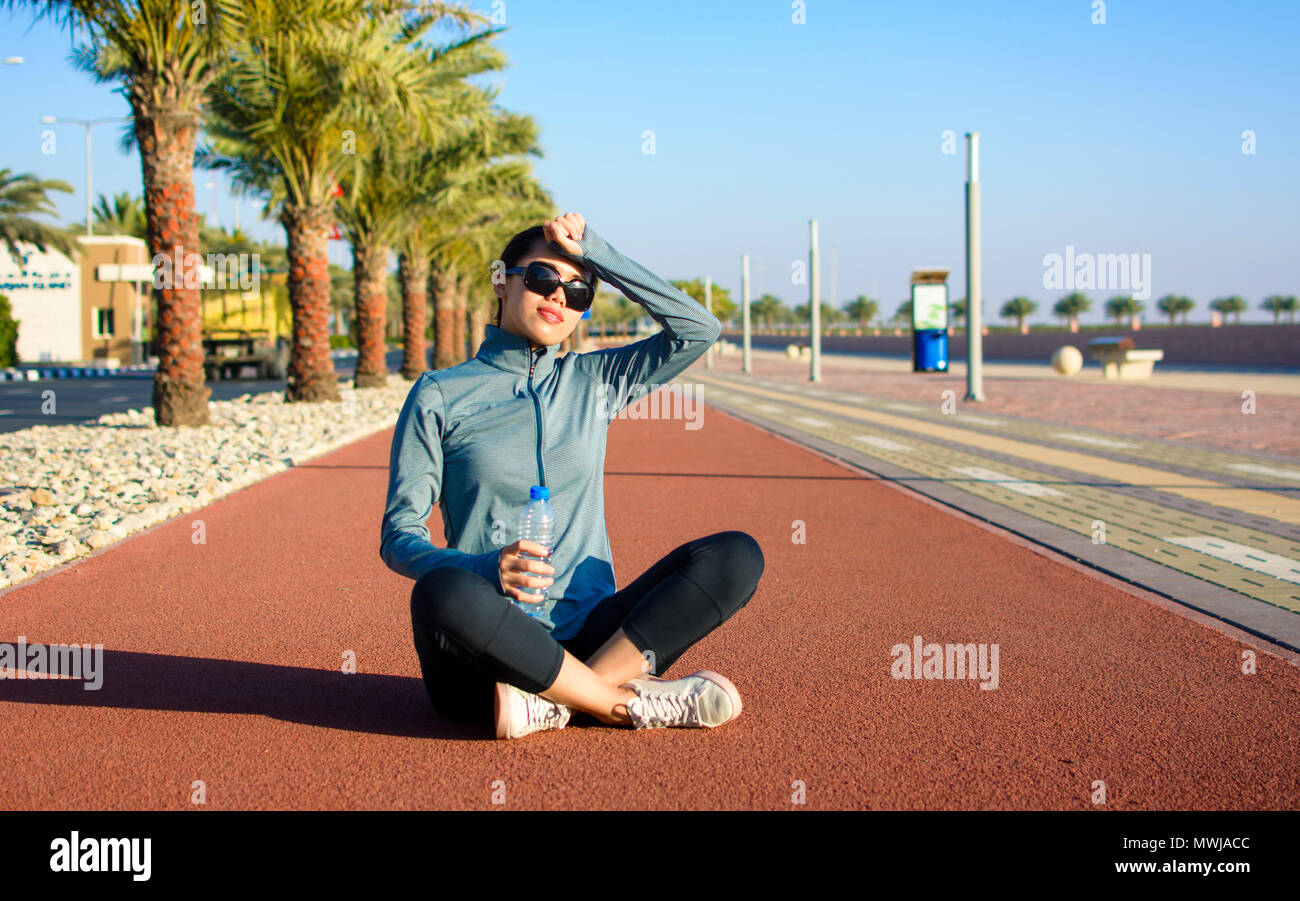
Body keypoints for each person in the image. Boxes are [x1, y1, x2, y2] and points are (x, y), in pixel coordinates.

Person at [381, 211, 765, 739]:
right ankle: (616, 704)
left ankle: (564, 700)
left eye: (579, 292)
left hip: (589, 635)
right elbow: (400, 537)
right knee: (440, 591)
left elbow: (698, 329)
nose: (558, 296)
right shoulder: (441, 394)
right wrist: (485, 568)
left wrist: (598, 252)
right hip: (484, 657)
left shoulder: (594, 380)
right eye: (541, 278)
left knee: (735, 554)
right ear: (502, 280)